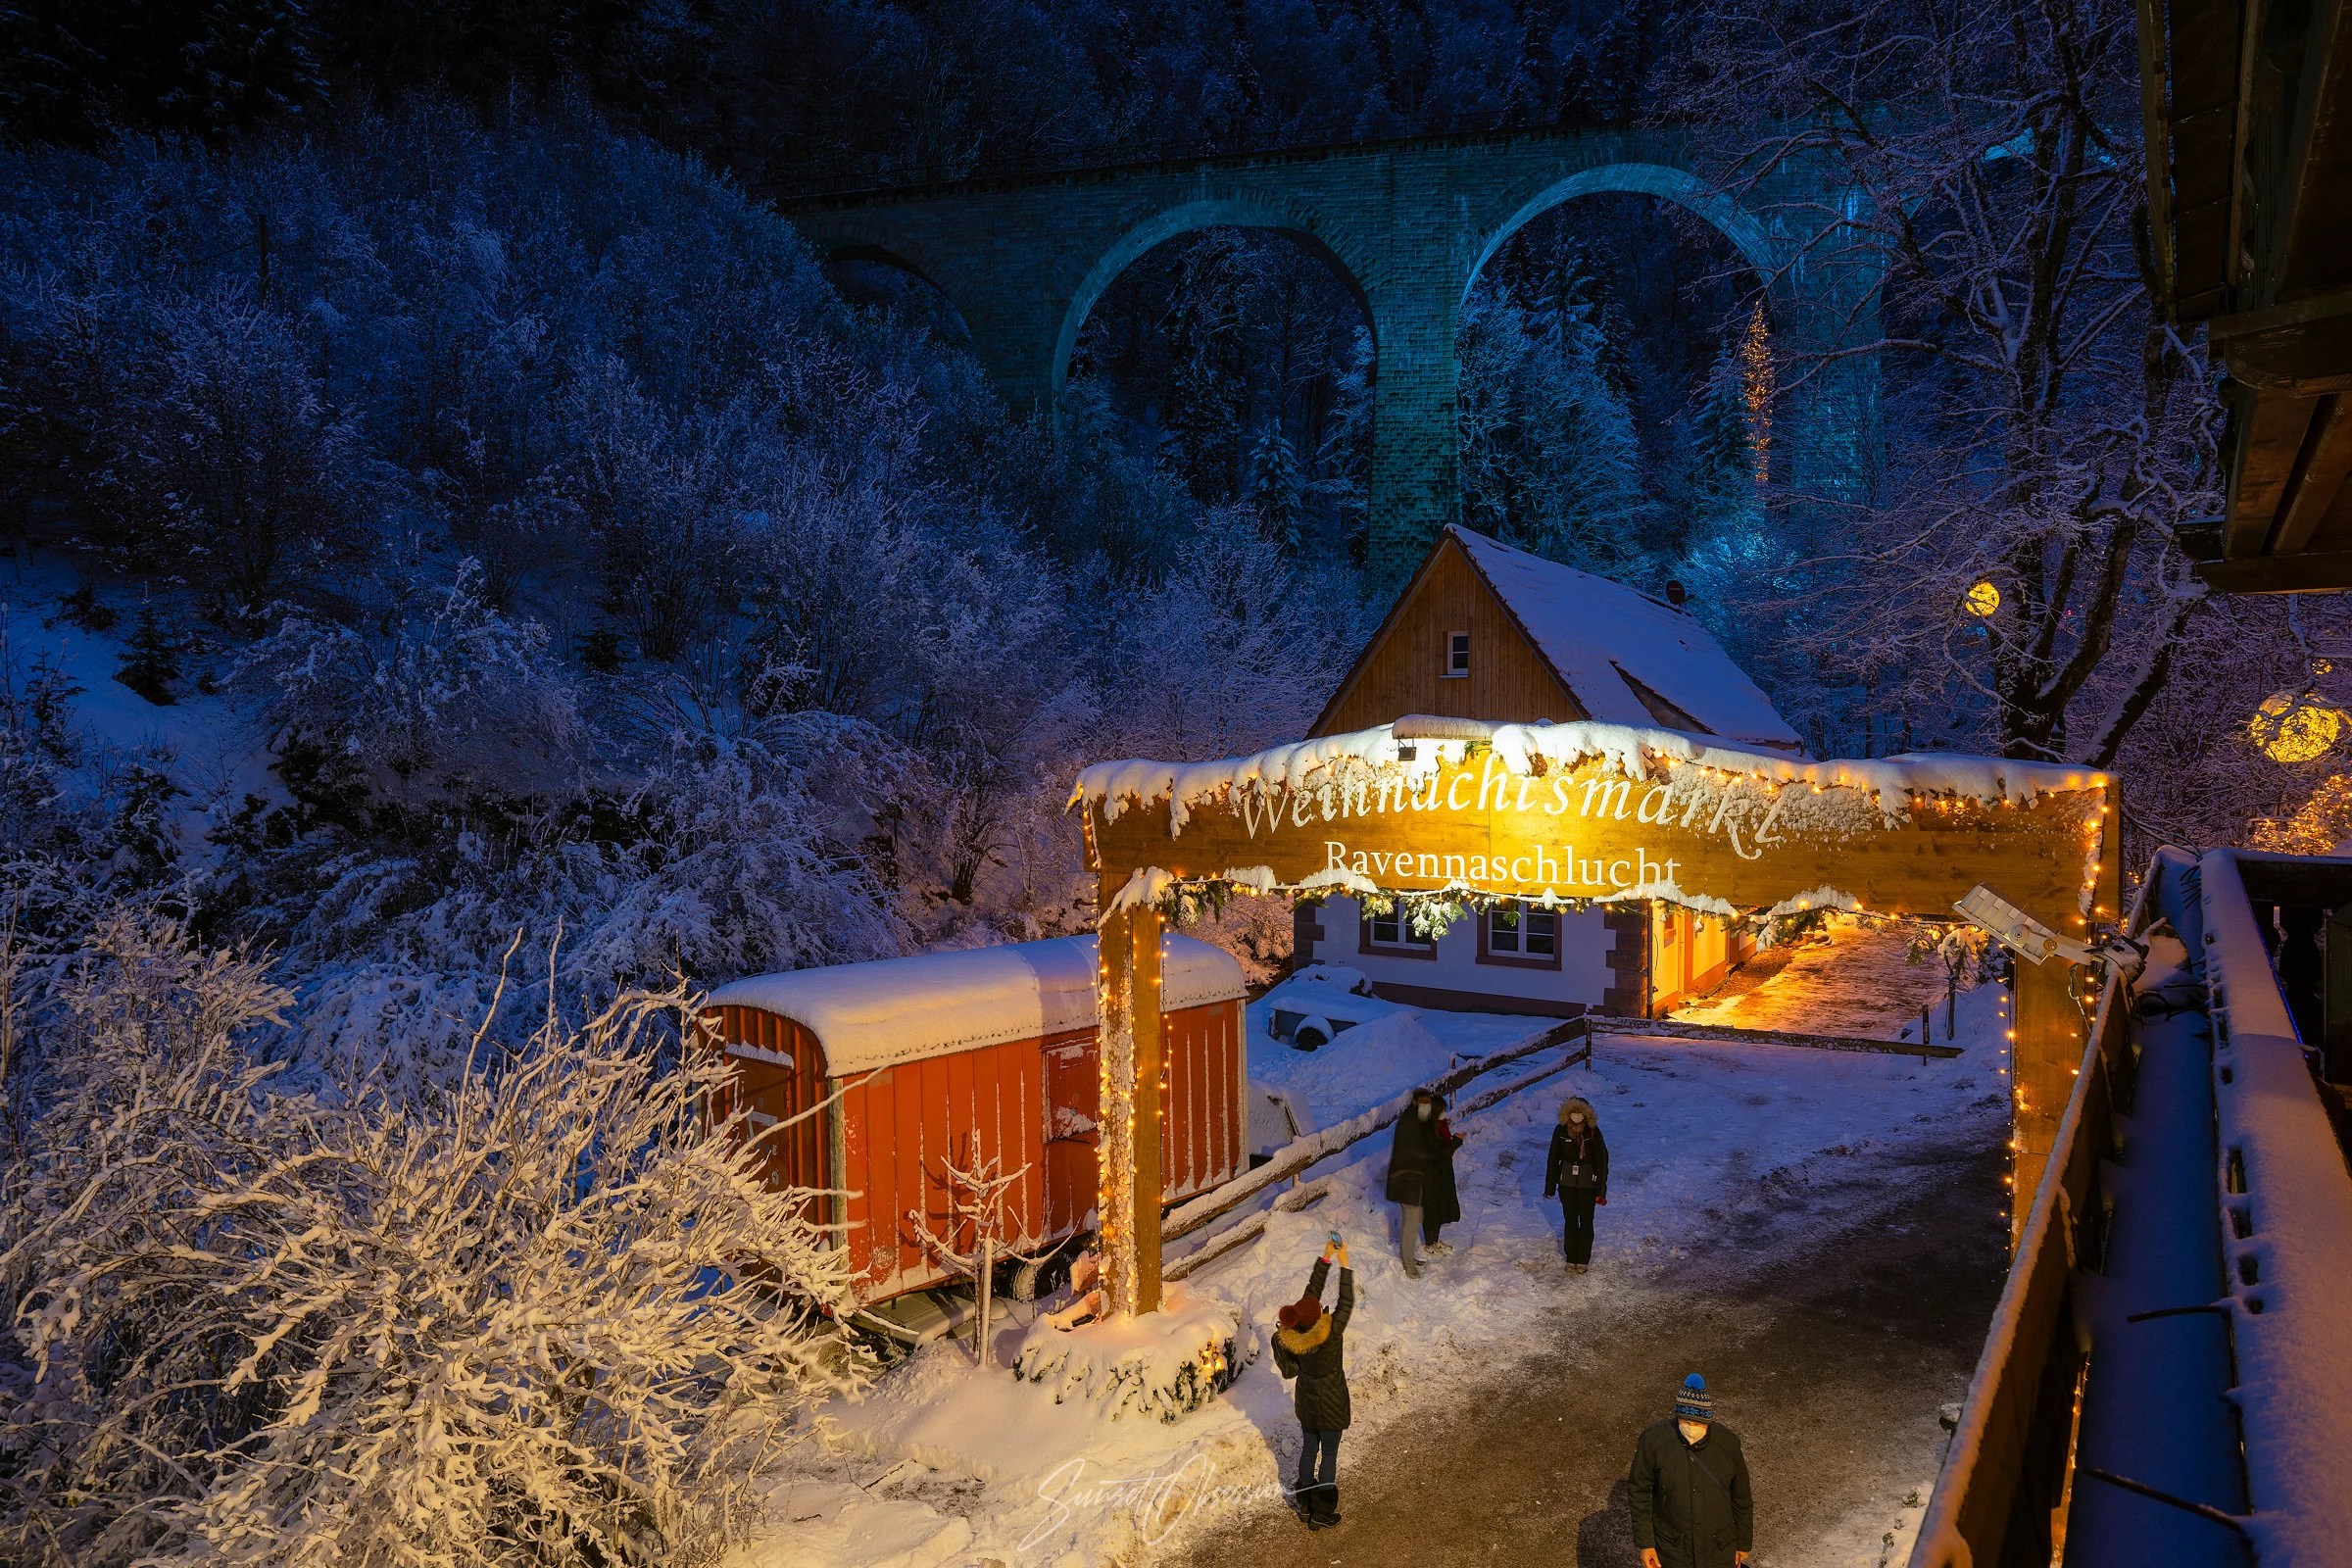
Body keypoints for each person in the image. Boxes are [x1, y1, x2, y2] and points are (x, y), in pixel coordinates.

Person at [1629, 1374, 1753, 1568]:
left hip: (1719, 1550)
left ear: (1708, 1420)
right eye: (1686, 1422)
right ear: (1677, 1416)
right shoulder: (1654, 1441)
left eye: (1698, 1423)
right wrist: (1646, 1543)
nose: (1691, 1430)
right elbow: (1639, 1492)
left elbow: (1742, 1498)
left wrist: (1743, 1542)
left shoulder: (1728, 1444)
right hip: (1672, 1552)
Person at [1271, 1241, 1355, 1529]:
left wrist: (1326, 1256)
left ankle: (1305, 1505)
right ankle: (1322, 1512)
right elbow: (1346, 1302)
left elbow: (1310, 1294)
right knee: (1329, 1454)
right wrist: (1344, 1264)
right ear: (1318, 1315)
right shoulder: (1331, 1334)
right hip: (1331, 1404)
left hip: (1307, 1402)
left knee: (1309, 1449)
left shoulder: (1293, 1335)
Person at [1385, 1087, 1462, 1276]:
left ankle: (1408, 1257)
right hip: (1405, 1179)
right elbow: (1416, 1150)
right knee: (1411, 1222)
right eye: (1424, 1103)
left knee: (1415, 1218)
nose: (1427, 1107)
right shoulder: (1409, 1122)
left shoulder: (1418, 1119)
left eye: (1429, 1103)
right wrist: (1436, 1154)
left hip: (1412, 1179)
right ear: (1416, 1102)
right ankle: (1409, 1265)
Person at [1542, 1095, 1609, 1272]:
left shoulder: (1593, 1132)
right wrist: (1550, 1187)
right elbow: (1553, 1159)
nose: (1576, 1123)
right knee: (1570, 1220)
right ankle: (1571, 1257)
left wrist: (1601, 1190)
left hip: (1588, 1185)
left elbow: (1602, 1162)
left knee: (1586, 1222)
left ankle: (1583, 1259)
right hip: (1567, 1185)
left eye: (1580, 1116)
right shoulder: (1561, 1131)